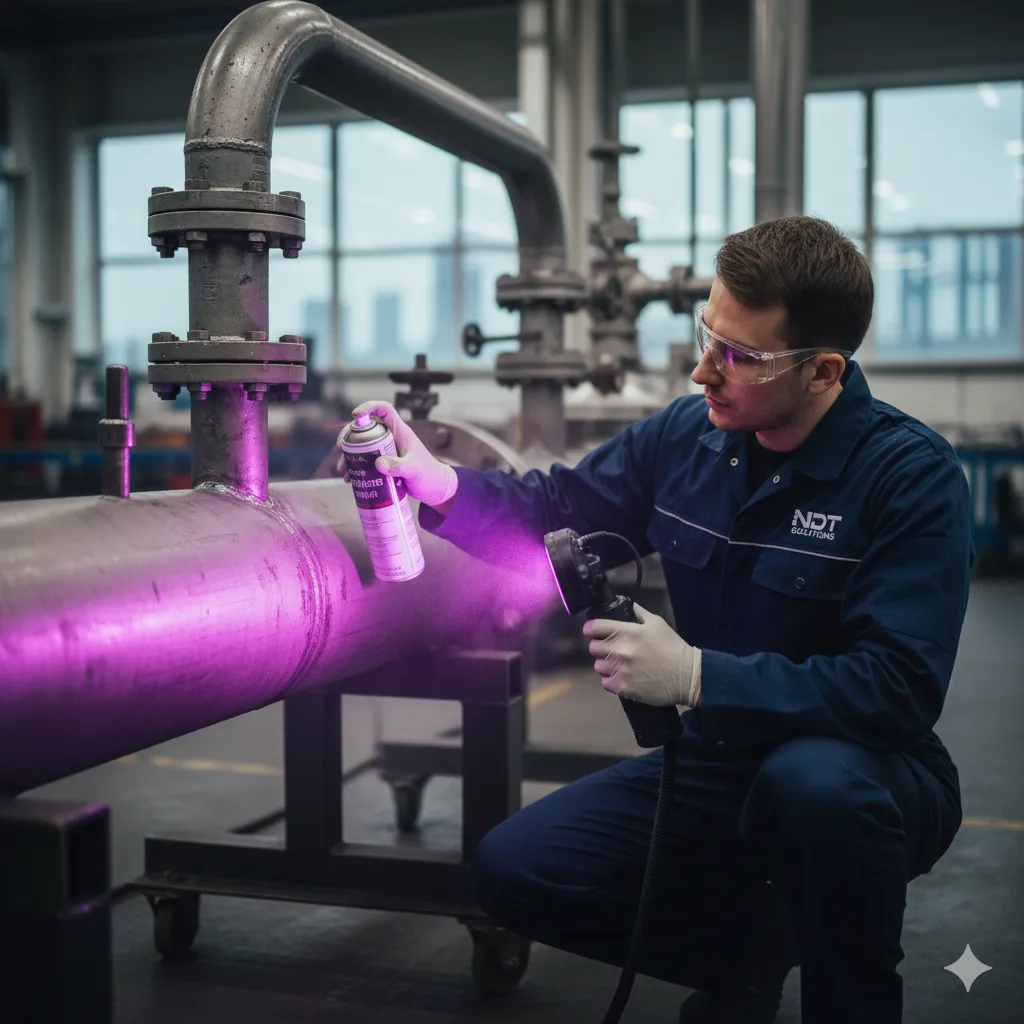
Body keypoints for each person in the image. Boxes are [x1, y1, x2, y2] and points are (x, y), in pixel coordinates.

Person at [340, 216, 973, 1024]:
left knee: (811, 791)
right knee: (513, 870)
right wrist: (443, 487)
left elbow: (899, 690)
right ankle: (749, 959)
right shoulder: (688, 437)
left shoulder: (909, 479)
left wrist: (698, 676)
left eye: (740, 356)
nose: (705, 369)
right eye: (707, 332)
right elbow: (555, 505)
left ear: (822, 372)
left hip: (867, 773)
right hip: (719, 763)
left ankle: (846, 993)